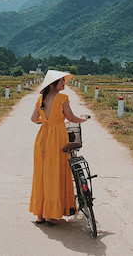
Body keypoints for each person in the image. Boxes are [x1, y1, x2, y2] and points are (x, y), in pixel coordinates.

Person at [30, 70, 89, 225]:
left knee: (42, 174)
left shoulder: (40, 98)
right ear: (54, 84)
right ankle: (51, 214)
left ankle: (40, 215)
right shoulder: (62, 98)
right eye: (62, 81)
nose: (64, 84)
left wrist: (47, 123)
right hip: (57, 139)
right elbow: (71, 118)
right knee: (55, 173)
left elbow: (34, 119)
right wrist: (83, 119)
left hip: (43, 138)